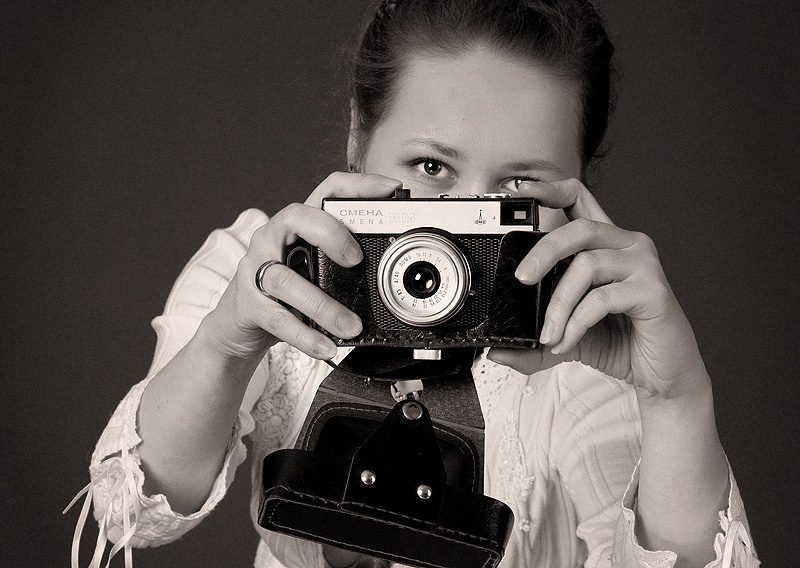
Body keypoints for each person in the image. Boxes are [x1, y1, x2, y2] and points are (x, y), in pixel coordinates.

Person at [67, 1, 759, 567]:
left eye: (517, 187)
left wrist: (674, 398)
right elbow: (132, 516)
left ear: (576, 191)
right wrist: (225, 343)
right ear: (357, 136)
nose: (462, 219)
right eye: (432, 168)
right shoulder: (271, 268)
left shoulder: (579, 335)